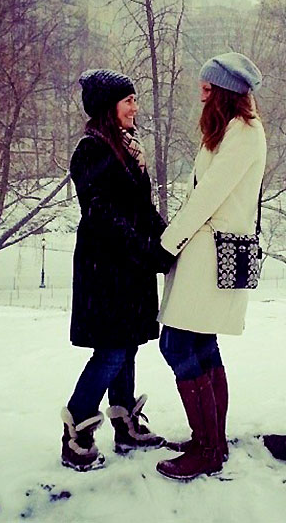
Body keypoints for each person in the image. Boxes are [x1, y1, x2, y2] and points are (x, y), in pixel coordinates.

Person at [155, 52, 267, 481]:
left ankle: (206, 447)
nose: (200, 93)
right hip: (205, 251)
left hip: (211, 252)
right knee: (199, 346)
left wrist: (167, 243)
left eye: (207, 87)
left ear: (224, 92)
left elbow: (208, 196)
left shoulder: (243, 133)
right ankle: (211, 443)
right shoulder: (226, 132)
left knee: (178, 346)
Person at [60, 69, 176, 472]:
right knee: (110, 351)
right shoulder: (91, 150)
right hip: (106, 268)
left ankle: (125, 425)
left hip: (128, 267)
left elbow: (141, 210)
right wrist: (147, 249)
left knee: (126, 346)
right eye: (128, 100)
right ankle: (76, 433)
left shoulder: (127, 147)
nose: (135, 107)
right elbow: (102, 214)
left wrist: (167, 240)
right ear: (109, 106)